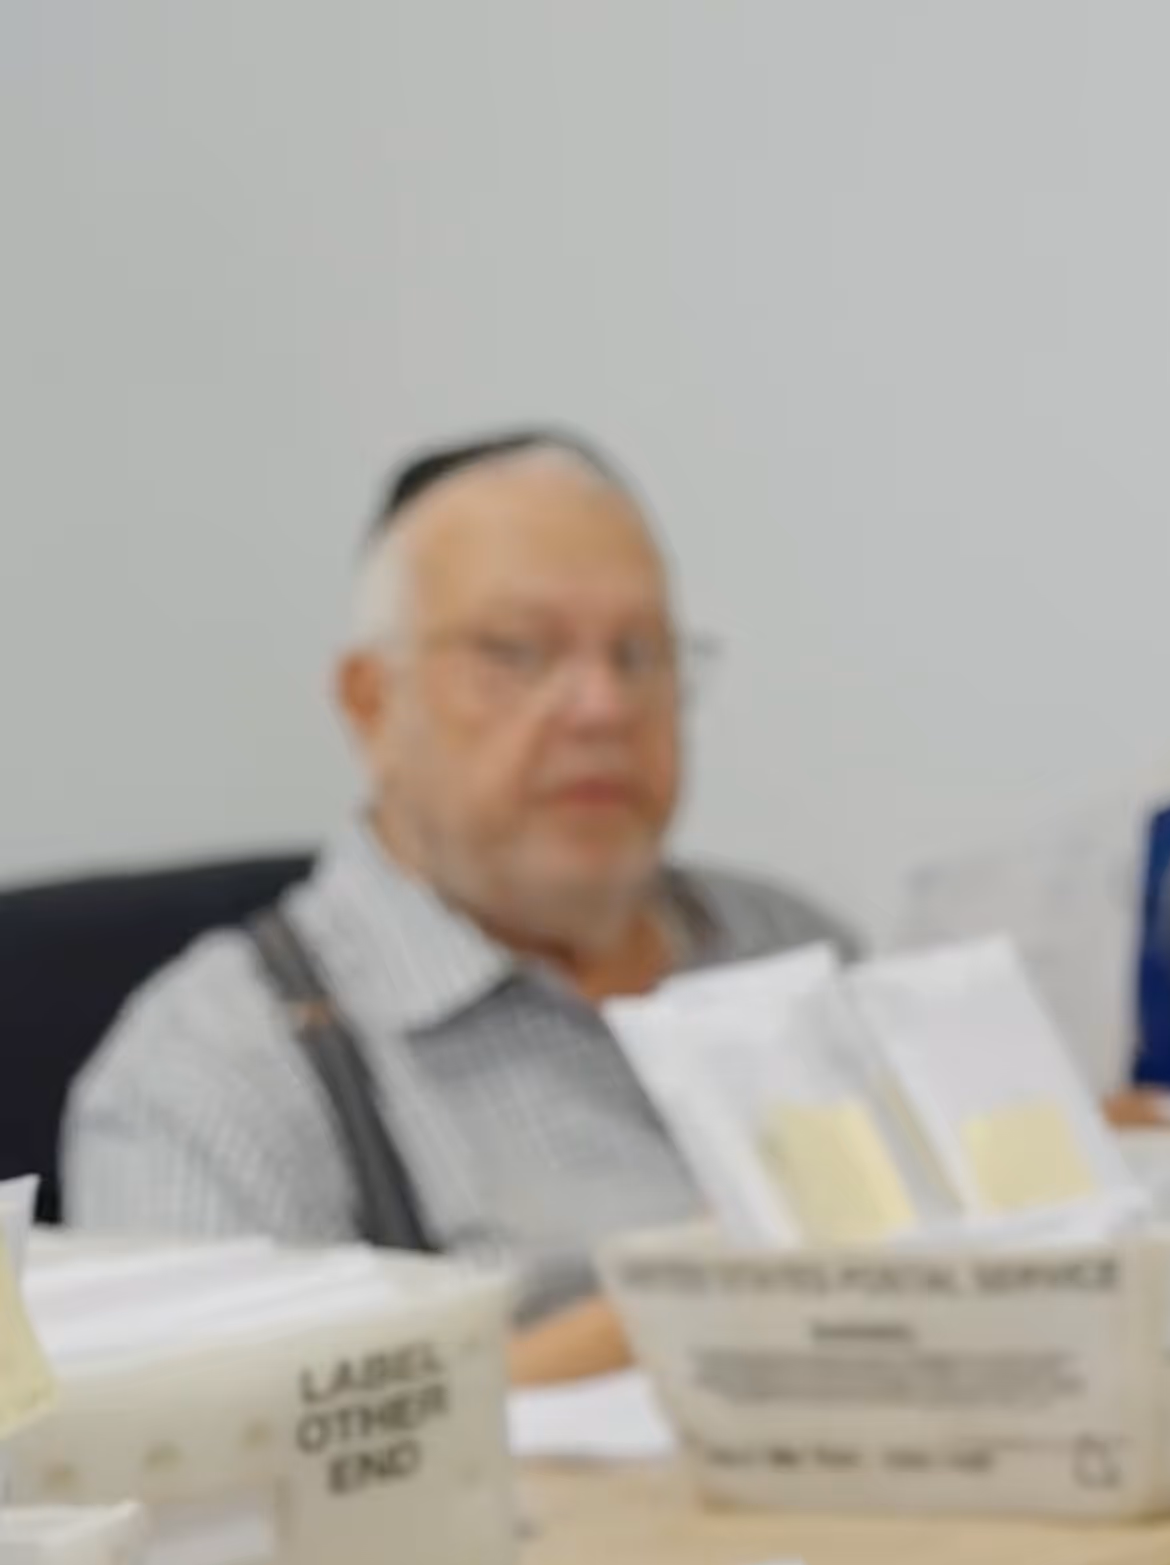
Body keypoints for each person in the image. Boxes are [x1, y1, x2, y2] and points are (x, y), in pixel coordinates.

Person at [63, 429, 853, 1383]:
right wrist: (699, 1310)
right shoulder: (211, 1074)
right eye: (517, 653)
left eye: (640, 653)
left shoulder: (794, 949)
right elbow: (216, 1462)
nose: (602, 705)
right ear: (369, 703)